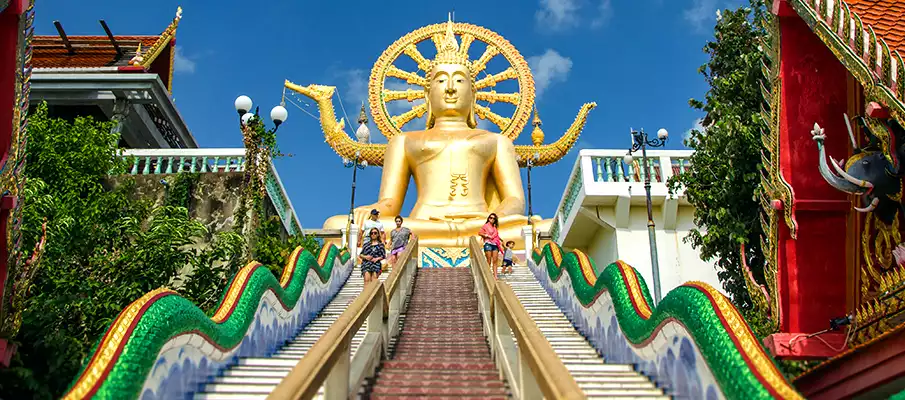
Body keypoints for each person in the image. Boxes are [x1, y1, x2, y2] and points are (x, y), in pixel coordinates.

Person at [479, 213, 502, 278]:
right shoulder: (485, 226)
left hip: (495, 244)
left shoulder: (495, 227)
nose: (492, 219)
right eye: (490, 218)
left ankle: (495, 276)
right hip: (488, 243)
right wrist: (487, 235)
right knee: (488, 259)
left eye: (494, 218)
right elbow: (480, 233)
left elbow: (496, 235)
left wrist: (501, 240)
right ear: (488, 218)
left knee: (495, 260)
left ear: (495, 220)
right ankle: (487, 274)